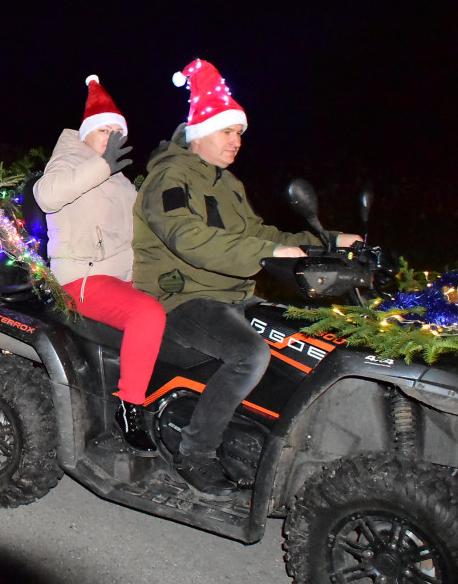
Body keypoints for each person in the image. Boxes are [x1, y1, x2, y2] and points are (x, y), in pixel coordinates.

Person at [133, 59, 363, 496]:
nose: (237, 141)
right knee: (250, 355)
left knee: (305, 342)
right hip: (181, 296)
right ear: (200, 131)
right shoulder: (169, 177)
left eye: (239, 133)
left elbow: (262, 233)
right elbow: (188, 237)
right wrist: (268, 252)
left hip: (229, 293)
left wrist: (330, 242)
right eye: (228, 131)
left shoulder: (226, 183)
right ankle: (195, 452)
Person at [34, 75, 167, 455]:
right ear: (87, 132)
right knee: (147, 314)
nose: (110, 136)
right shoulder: (70, 161)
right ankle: (129, 407)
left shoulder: (121, 181)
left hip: (121, 280)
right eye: (103, 129)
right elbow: (46, 195)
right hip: (82, 278)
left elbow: (148, 227)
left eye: (117, 130)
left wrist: (163, 170)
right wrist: (101, 168)